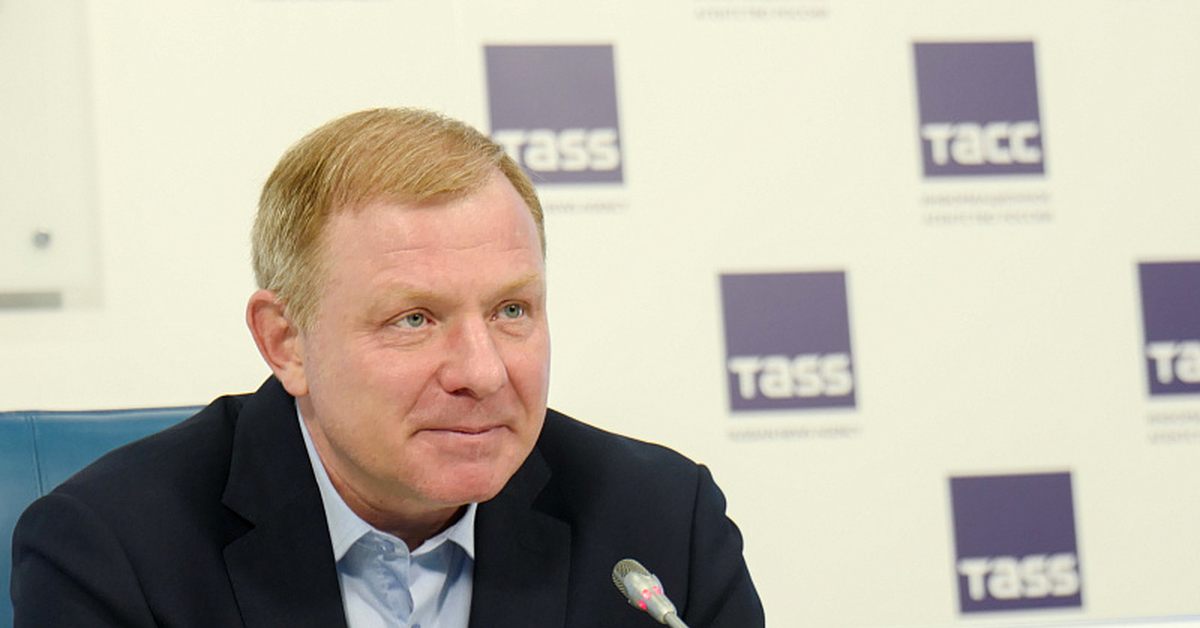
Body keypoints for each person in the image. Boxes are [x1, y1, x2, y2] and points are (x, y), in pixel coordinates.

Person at [11, 108, 764, 627]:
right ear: (286, 342)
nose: (483, 373)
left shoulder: (660, 523)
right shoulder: (113, 551)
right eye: (414, 320)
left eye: (511, 310)